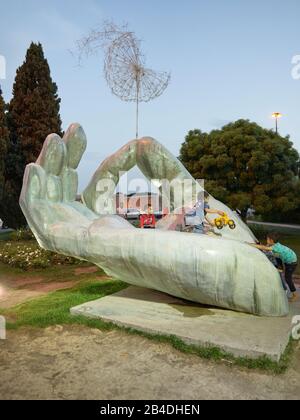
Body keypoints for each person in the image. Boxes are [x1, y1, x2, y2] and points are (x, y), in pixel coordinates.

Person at [250, 232, 298, 302]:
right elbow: (265, 248)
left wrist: (251, 245)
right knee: (276, 254)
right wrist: (259, 245)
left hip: (292, 262)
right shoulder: (274, 244)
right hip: (288, 258)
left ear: (271, 240)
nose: (266, 240)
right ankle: (280, 268)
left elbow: (264, 248)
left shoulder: (275, 247)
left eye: (267, 239)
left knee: (288, 278)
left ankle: (295, 295)